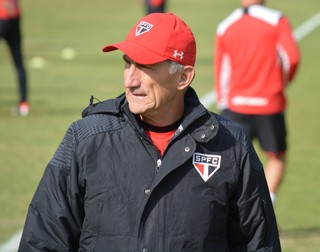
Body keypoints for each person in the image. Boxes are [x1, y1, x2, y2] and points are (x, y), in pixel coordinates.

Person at [19, 12, 281, 251]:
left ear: (183, 77)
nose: (129, 80)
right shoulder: (86, 139)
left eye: (145, 66)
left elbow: (258, 245)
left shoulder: (230, 145)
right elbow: (43, 240)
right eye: (127, 62)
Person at [214, 0, 300, 204]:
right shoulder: (276, 20)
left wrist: (224, 103)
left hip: (235, 105)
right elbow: (292, 58)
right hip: (269, 103)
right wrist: (281, 83)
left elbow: (221, 69)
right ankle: (265, 207)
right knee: (276, 157)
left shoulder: (226, 25)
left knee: (231, 162)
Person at [0, 0, 29, 116]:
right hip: (15, 17)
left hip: (3, 17)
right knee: (19, 62)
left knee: (18, 62)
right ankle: (24, 104)